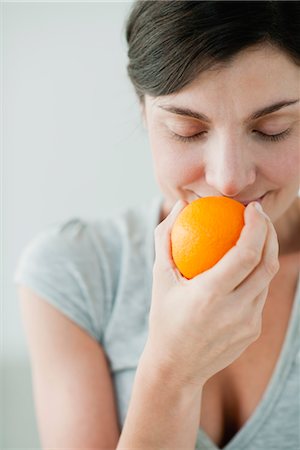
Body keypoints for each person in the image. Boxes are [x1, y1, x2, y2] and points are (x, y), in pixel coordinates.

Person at [14, 1, 300, 449]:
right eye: (188, 130)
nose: (228, 179)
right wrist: (172, 371)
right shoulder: (76, 272)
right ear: (145, 114)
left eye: (272, 128)